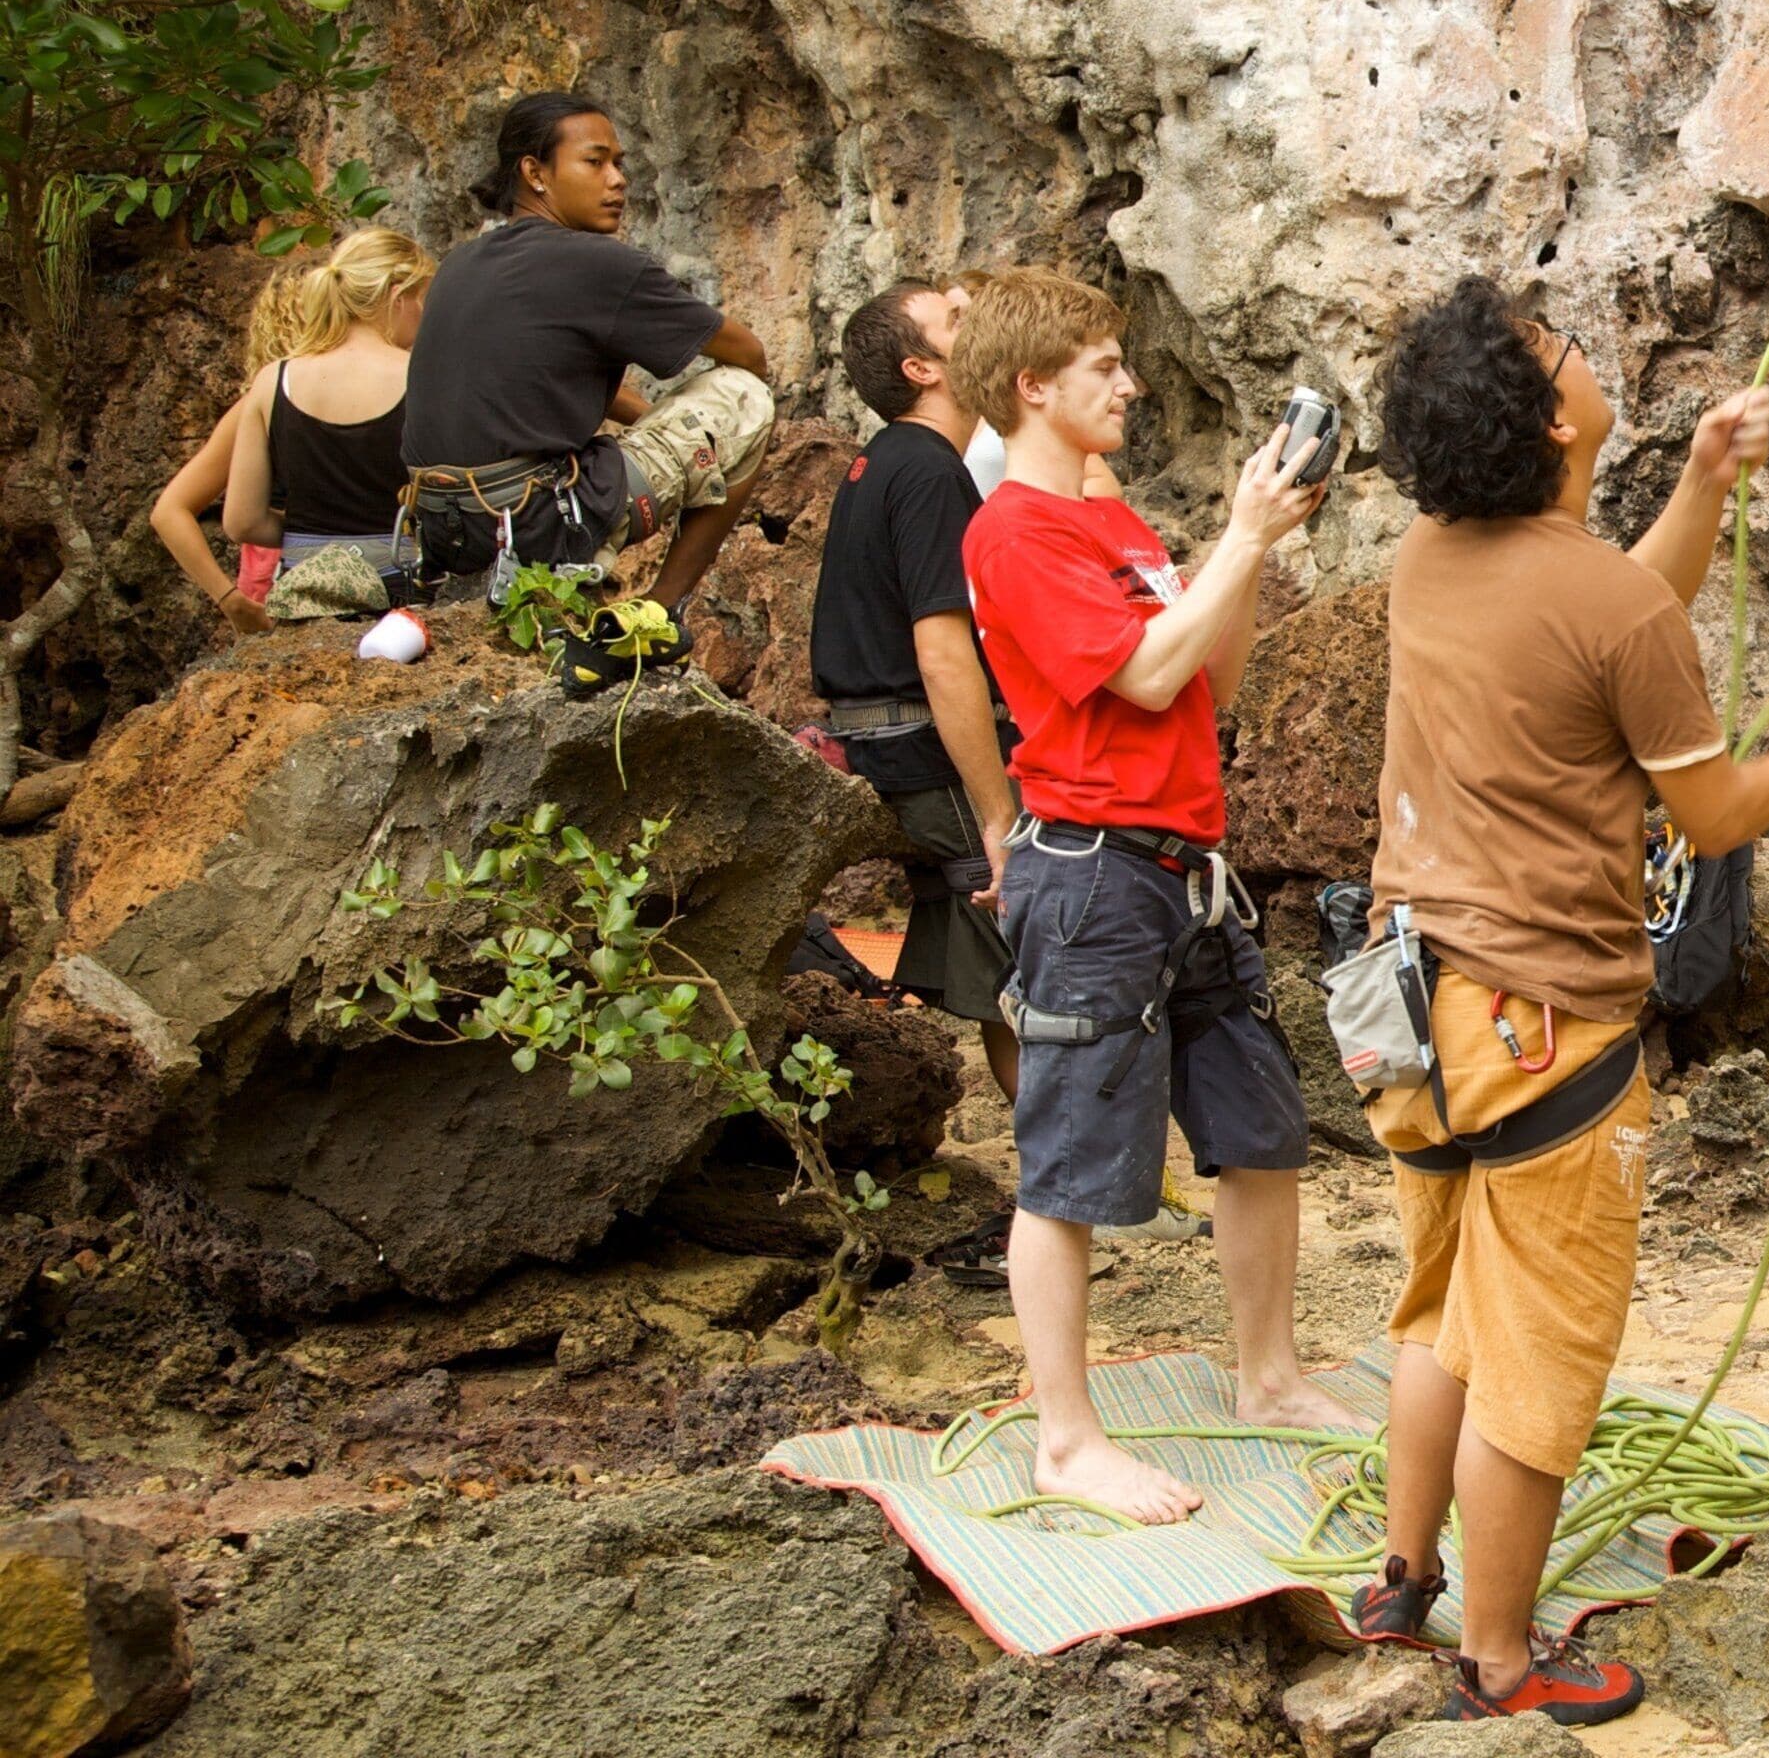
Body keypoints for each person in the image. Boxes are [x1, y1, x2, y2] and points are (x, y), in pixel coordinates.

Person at [1350, 279, 1769, 1726]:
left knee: (1444, 1302)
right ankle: (1501, 1661)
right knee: (1539, 1357)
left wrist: (1698, 481)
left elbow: (1600, 621)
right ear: (1555, 417)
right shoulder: (1604, 603)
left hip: (1404, 1014)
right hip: (1542, 1034)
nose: (1582, 353)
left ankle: (1402, 1577)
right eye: (1563, 351)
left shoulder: (1428, 560)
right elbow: (1708, 812)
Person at [948, 265, 1352, 1521]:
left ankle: (1269, 1376)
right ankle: (1064, 1438)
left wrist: (1254, 547)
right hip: (1094, 876)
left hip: (1189, 869)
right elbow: (1134, 676)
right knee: (1067, 1164)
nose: (1127, 384)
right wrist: (1236, 537)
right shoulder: (1011, 531)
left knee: (1260, 1129)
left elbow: (1202, 680)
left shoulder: (1116, 528)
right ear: (1033, 388)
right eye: (1103, 367)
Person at [401, 92, 775, 614]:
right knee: (745, 398)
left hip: (446, 531)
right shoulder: (599, 263)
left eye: (619, 164)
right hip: (535, 525)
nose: (618, 180)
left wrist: (650, 420)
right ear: (535, 172)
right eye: (595, 162)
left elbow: (539, 382)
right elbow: (749, 356)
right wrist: (694, 448)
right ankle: (661, 610)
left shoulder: (462, 262)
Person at [812, 279, 1028, 1108]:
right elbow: (943, 657)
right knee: (1033, 960)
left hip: (888, 743)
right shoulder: (929, 473)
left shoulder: (887, 461)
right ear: (922, 367)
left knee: (1007, 972)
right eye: (958, 322)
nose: (980, 325)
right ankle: (1076, 1179)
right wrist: (996, 813)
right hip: (927, 750)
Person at [149, 227, 430, 630]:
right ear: (397, 295)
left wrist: (312, 532)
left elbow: (241, 521)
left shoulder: (273, 381)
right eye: (422, 299)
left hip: (303, 591)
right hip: (397, 584)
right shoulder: (420, 376)